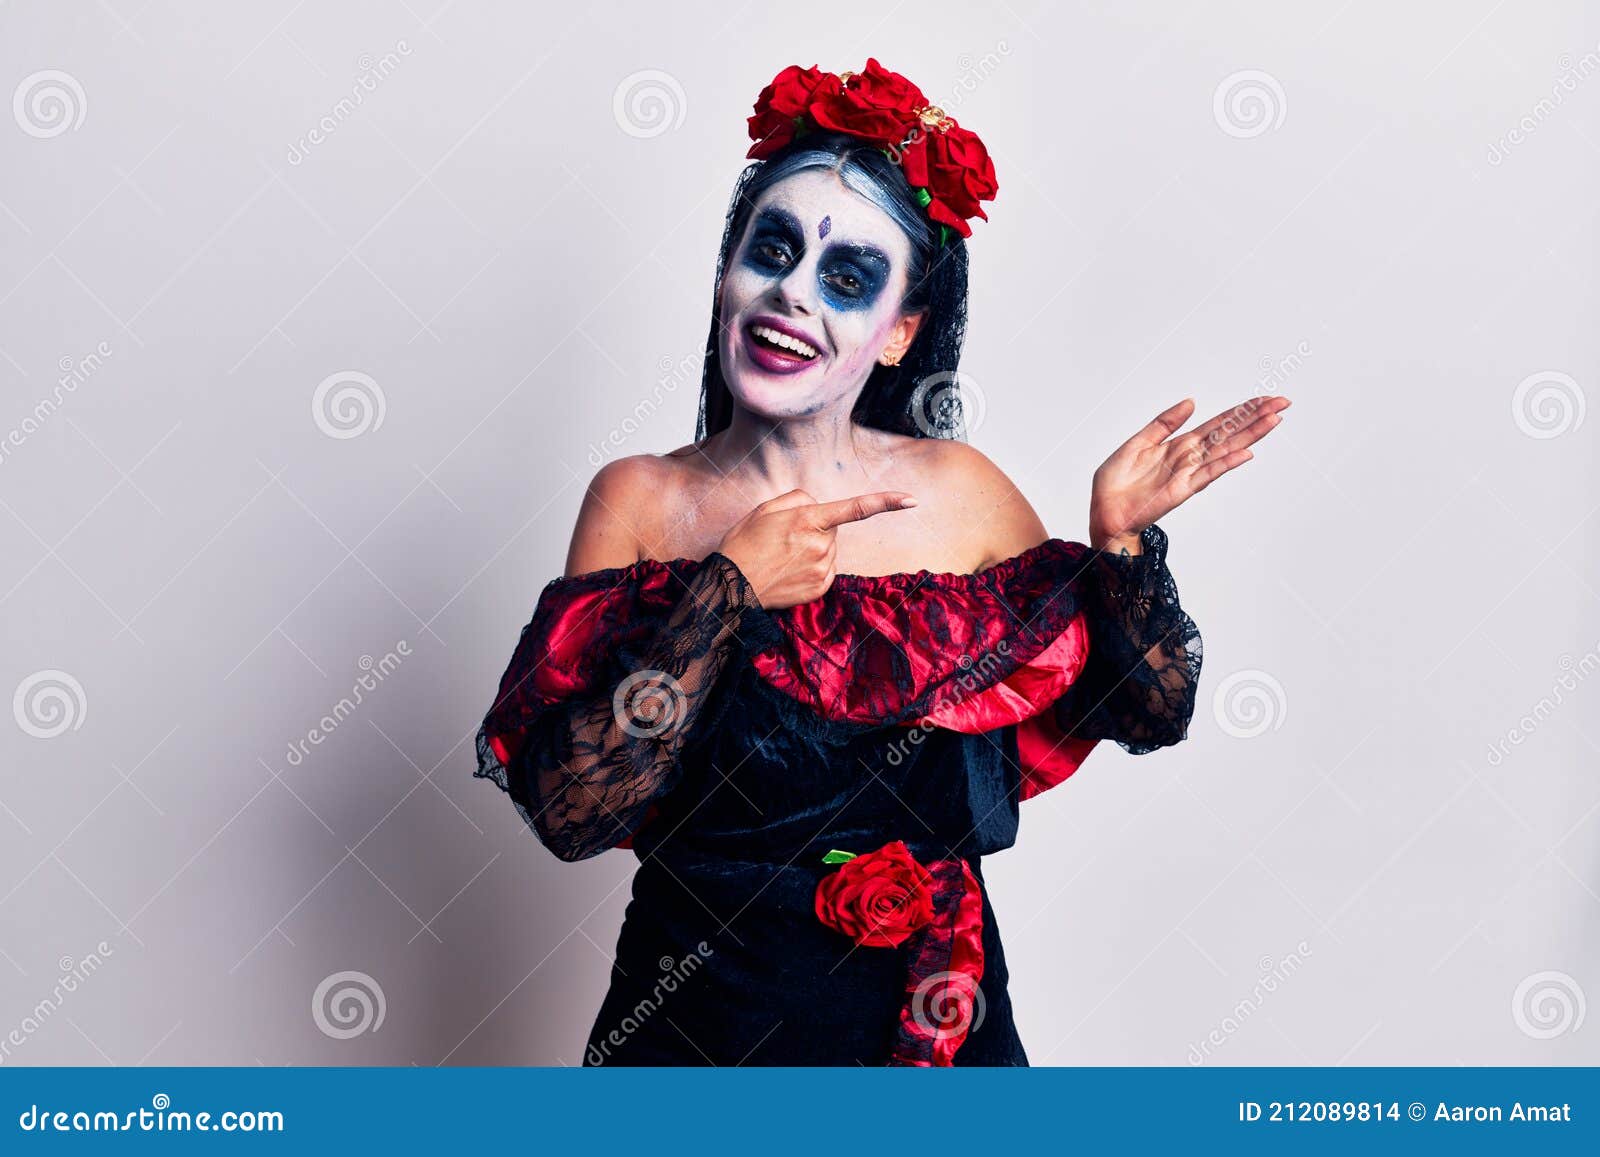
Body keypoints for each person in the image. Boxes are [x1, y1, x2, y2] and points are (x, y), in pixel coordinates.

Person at [474, 59, 1290, 1066]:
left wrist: (1118, 541)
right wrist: (725, 590)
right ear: (726, 271)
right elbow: (570, 808)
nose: (790, 294)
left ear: (901, 330)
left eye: (847, 277)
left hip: (935, 1020)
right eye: (769, 250)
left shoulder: (961, 490)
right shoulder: (643, 499)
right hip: (696, 1028)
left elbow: (1146, 713)